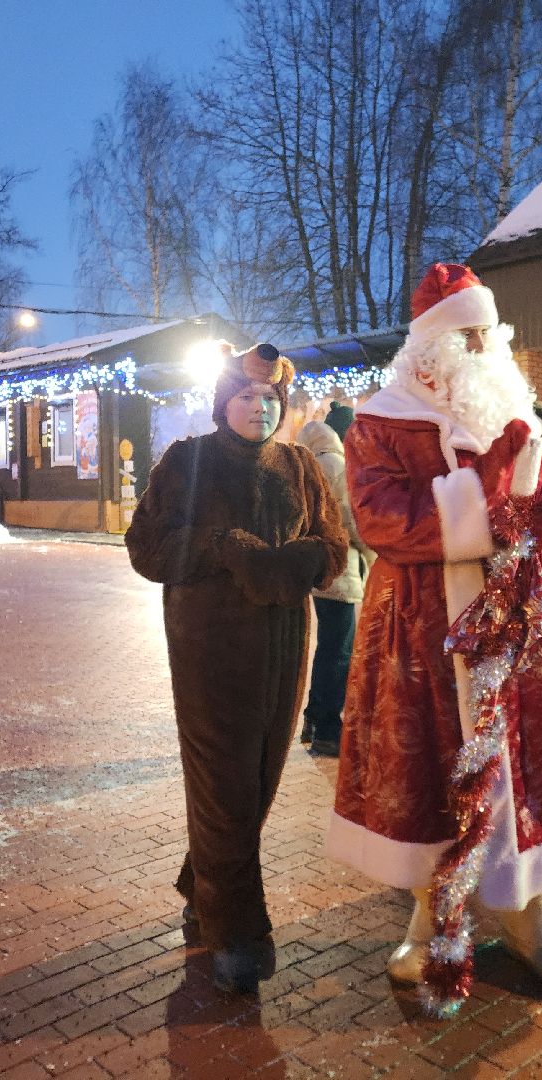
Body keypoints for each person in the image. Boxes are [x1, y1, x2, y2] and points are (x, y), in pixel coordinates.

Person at [326, 262, 542, 1009]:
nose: (481, 347)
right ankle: (431, 914)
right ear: (430, 346)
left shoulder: (512, 412)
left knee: (519, 767)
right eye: (467, 335)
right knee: (432, 774)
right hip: (421, 628)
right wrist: (487, 492)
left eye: (488, 334)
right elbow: (383, 518)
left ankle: (530, 918)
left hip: (508, 625)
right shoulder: (380, 421)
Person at [125, 342, 349, 993]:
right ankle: (236, 931)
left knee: (258, 784)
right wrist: (222, 547)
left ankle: (202, 884)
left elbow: (335, 545)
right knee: (224, 785)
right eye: (247, 396)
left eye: (270, 398)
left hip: (284, 649)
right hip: (209, 651)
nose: (259, 407)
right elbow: (146, 546)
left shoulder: (302, 464)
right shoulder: (188, 461)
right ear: (224, 402)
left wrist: (291, 564)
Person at [296, 410, 374, 757]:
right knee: (339, 652)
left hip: (314, 568)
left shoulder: (305, 460)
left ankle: (313, 718)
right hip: (339, 570)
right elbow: (351, 521)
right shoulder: (337, 466)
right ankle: (329, 729)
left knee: (328, 648)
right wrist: (373, 554)